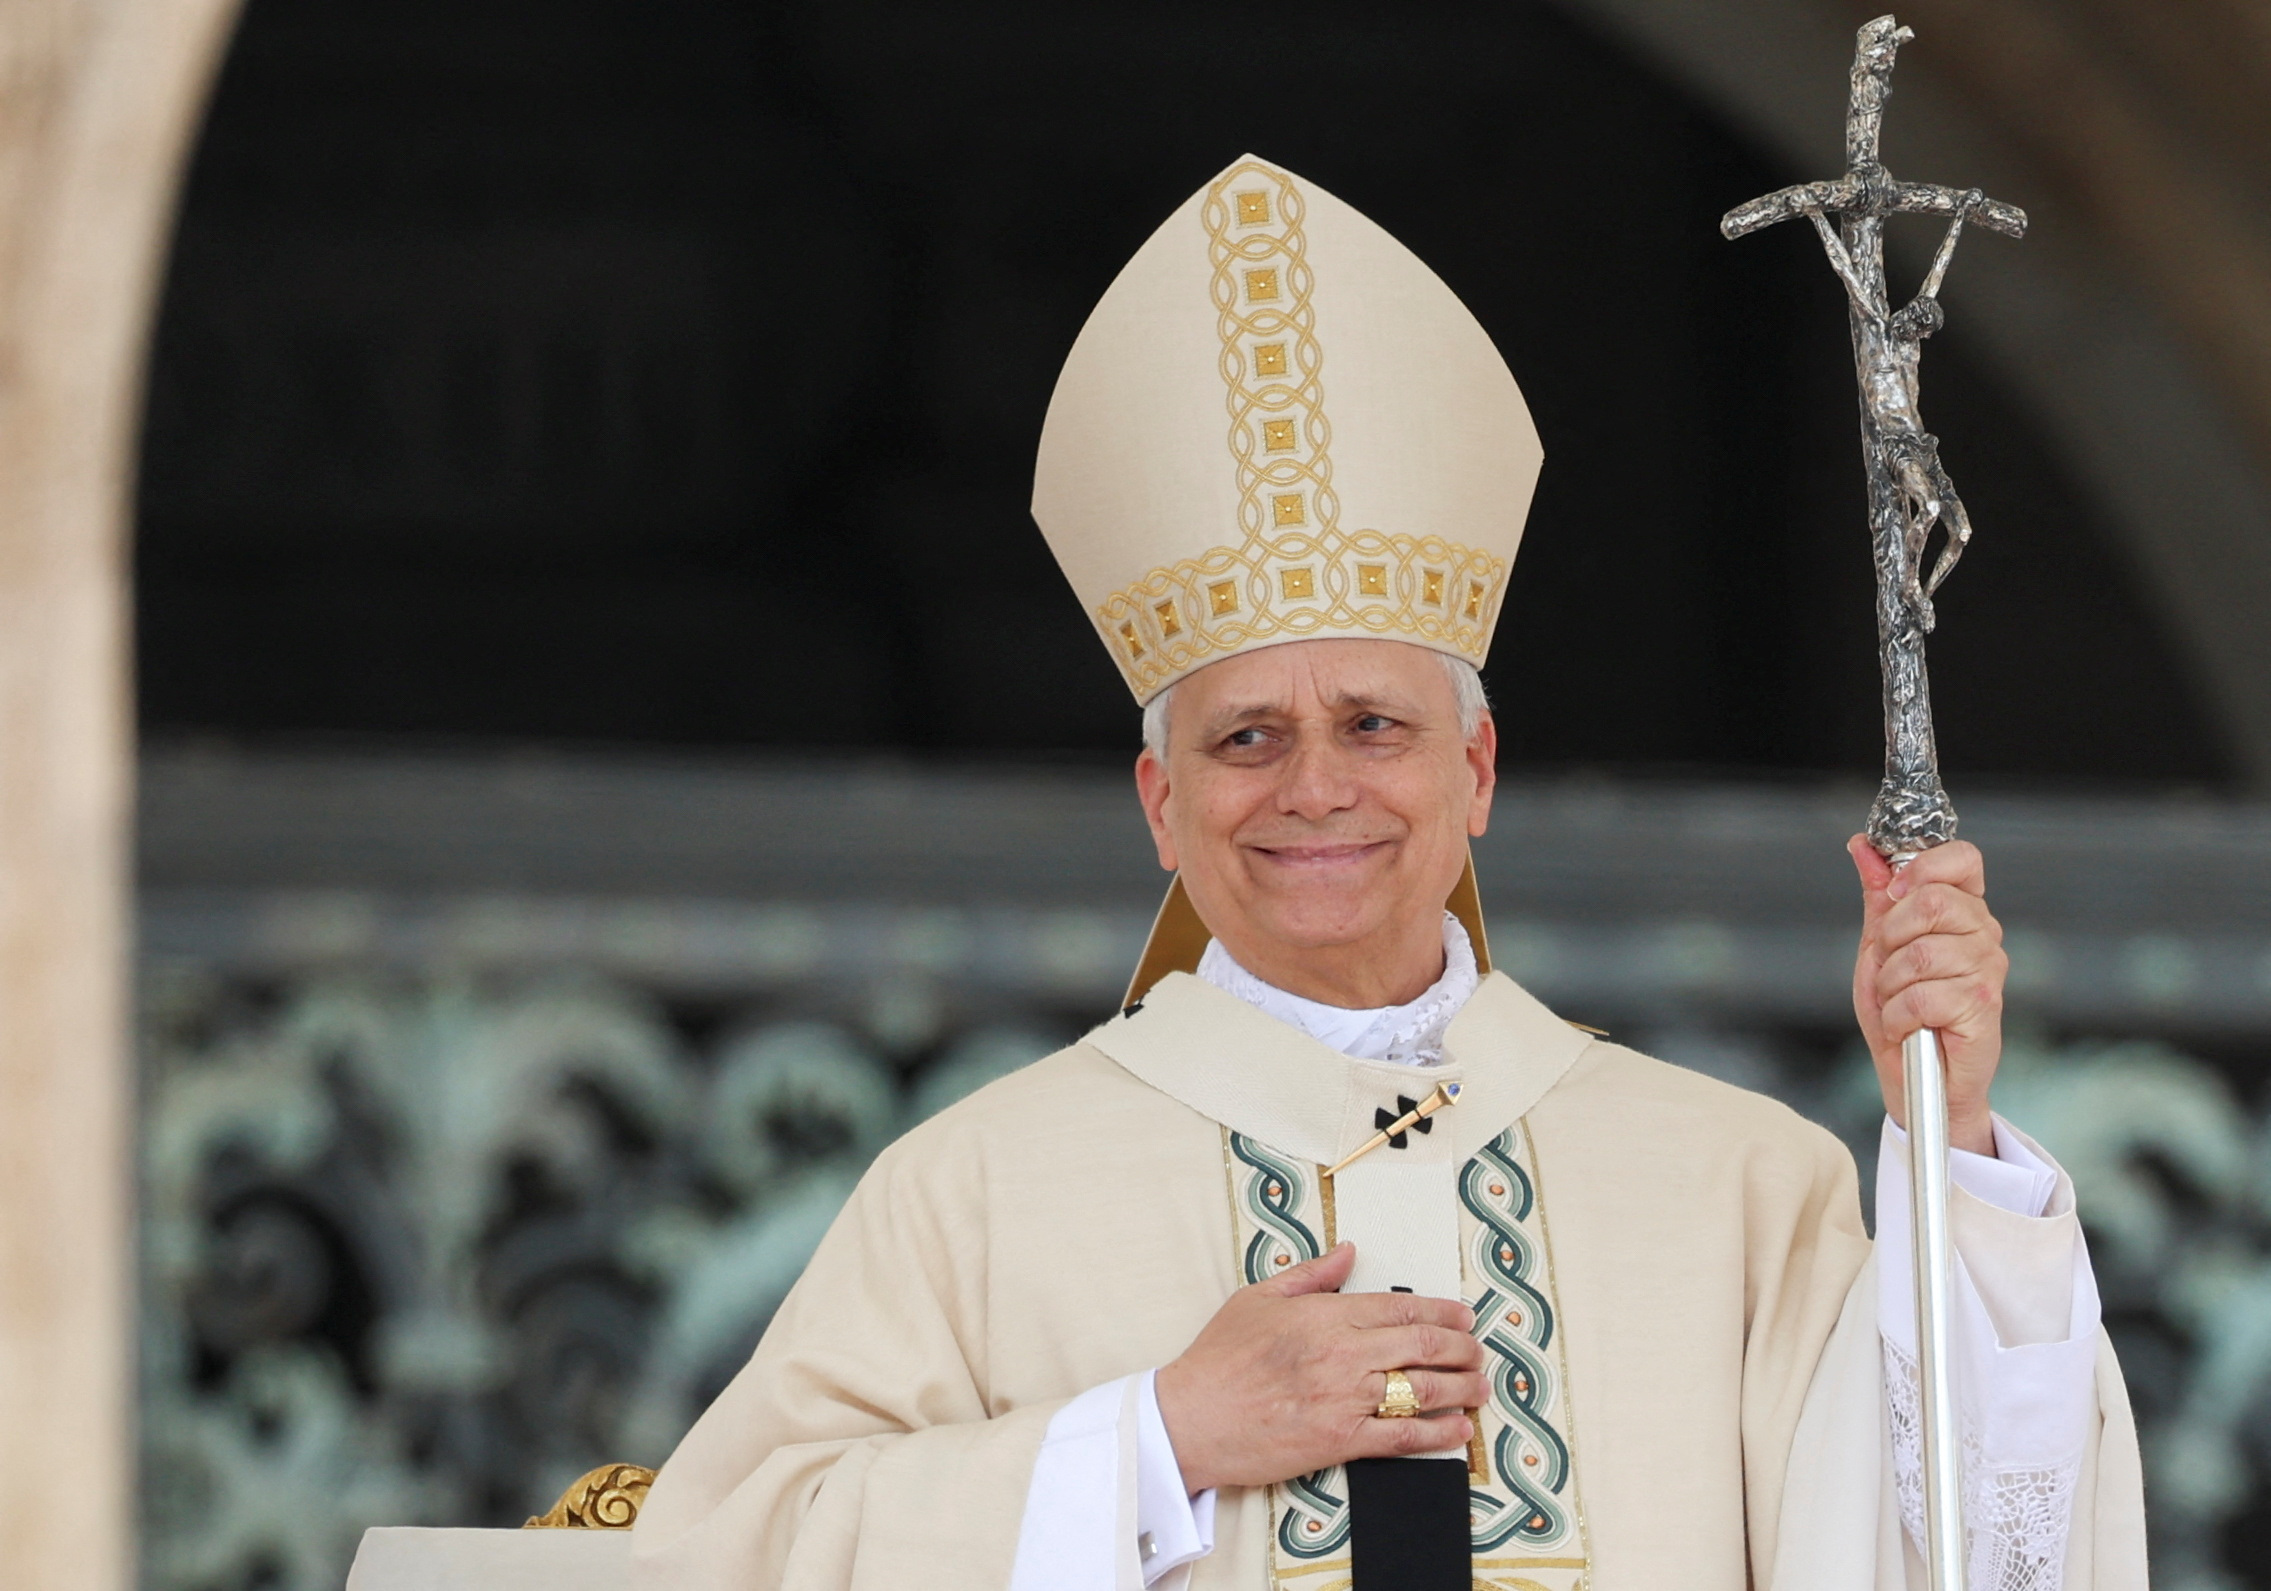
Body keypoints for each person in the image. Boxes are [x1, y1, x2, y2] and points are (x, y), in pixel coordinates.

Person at [631, 155, 2144, 1591]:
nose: (1315, 788)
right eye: (1246, 739)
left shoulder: (1740, 1189)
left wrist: (1951, 1153)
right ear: (1162, 803)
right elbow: (728, 1554)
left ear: (1472, 774)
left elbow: (1961, 1549)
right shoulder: (971, 1195)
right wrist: (1158, 1439)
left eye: (1372, 724)